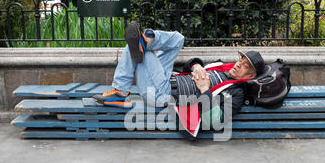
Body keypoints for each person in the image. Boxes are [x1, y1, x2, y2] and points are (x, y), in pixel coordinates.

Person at [92, 22, 265, 135]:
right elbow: (189, 66)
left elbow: (212, 121)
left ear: (251, 76)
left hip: (162, 93)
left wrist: (205, 89)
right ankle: (147, 40)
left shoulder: (236, 93)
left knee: (142, 52)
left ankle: (121, 91)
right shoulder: (222, 68)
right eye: (241, 59)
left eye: (245, 65)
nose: (239, 64)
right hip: (168, 77)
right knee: (177, 39)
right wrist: (197, 66)